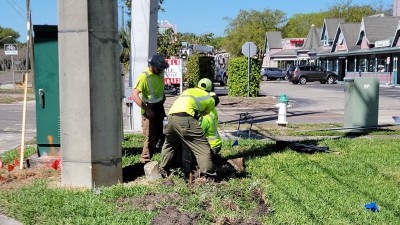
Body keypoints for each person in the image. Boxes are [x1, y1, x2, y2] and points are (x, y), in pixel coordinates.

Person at [160, 78, 216, 177]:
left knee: (169, 144)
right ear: (211, 89)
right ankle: (209, 174)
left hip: (170, 118)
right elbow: (204, 113)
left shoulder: (187, 91)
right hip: (185, 119)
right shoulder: (209, 98)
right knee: (202, 146)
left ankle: (163, 169)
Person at [132, 54, 169, 163]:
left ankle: (165, 159)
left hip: (159, 107)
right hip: (149, 108)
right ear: (152, 66)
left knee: (164, 132)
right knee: (150, 137)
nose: (161, 71)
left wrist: (163, 96)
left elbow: (160, 86)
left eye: (162, 69)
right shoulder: (144, 76)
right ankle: (145, 161)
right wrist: (147, 109)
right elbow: (134, 95)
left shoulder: (160, 73)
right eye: (159, 68)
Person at [199, 92, 222, 162]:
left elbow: (199, 132)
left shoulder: (206, 117)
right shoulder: (213, 111)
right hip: (217, 143)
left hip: (211, 146)